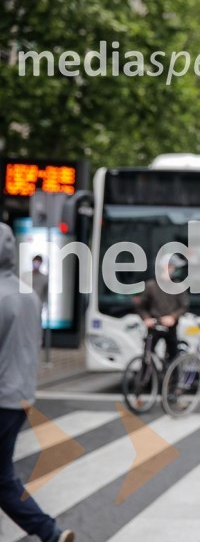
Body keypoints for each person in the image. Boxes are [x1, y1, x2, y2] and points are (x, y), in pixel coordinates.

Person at [0, 224, 74, 542]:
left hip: (1, 395)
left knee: (2, 478)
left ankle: (49, 531)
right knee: (1, 476)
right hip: (21, 394)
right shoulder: (25, 294)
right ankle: (50, 533)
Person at [135, 253, 189, 366]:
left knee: (173, 355)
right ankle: (146, 379)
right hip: (154, 325)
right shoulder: (151, 286)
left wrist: (173, 317)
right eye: (171, 266)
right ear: (164, 267)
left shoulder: (178, 286)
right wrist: (146, 318)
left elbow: (184, 306)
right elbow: (141, 306)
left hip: (171, 327)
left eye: (173, 267)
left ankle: (171, 381)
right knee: (147, 354)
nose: (173, 269)